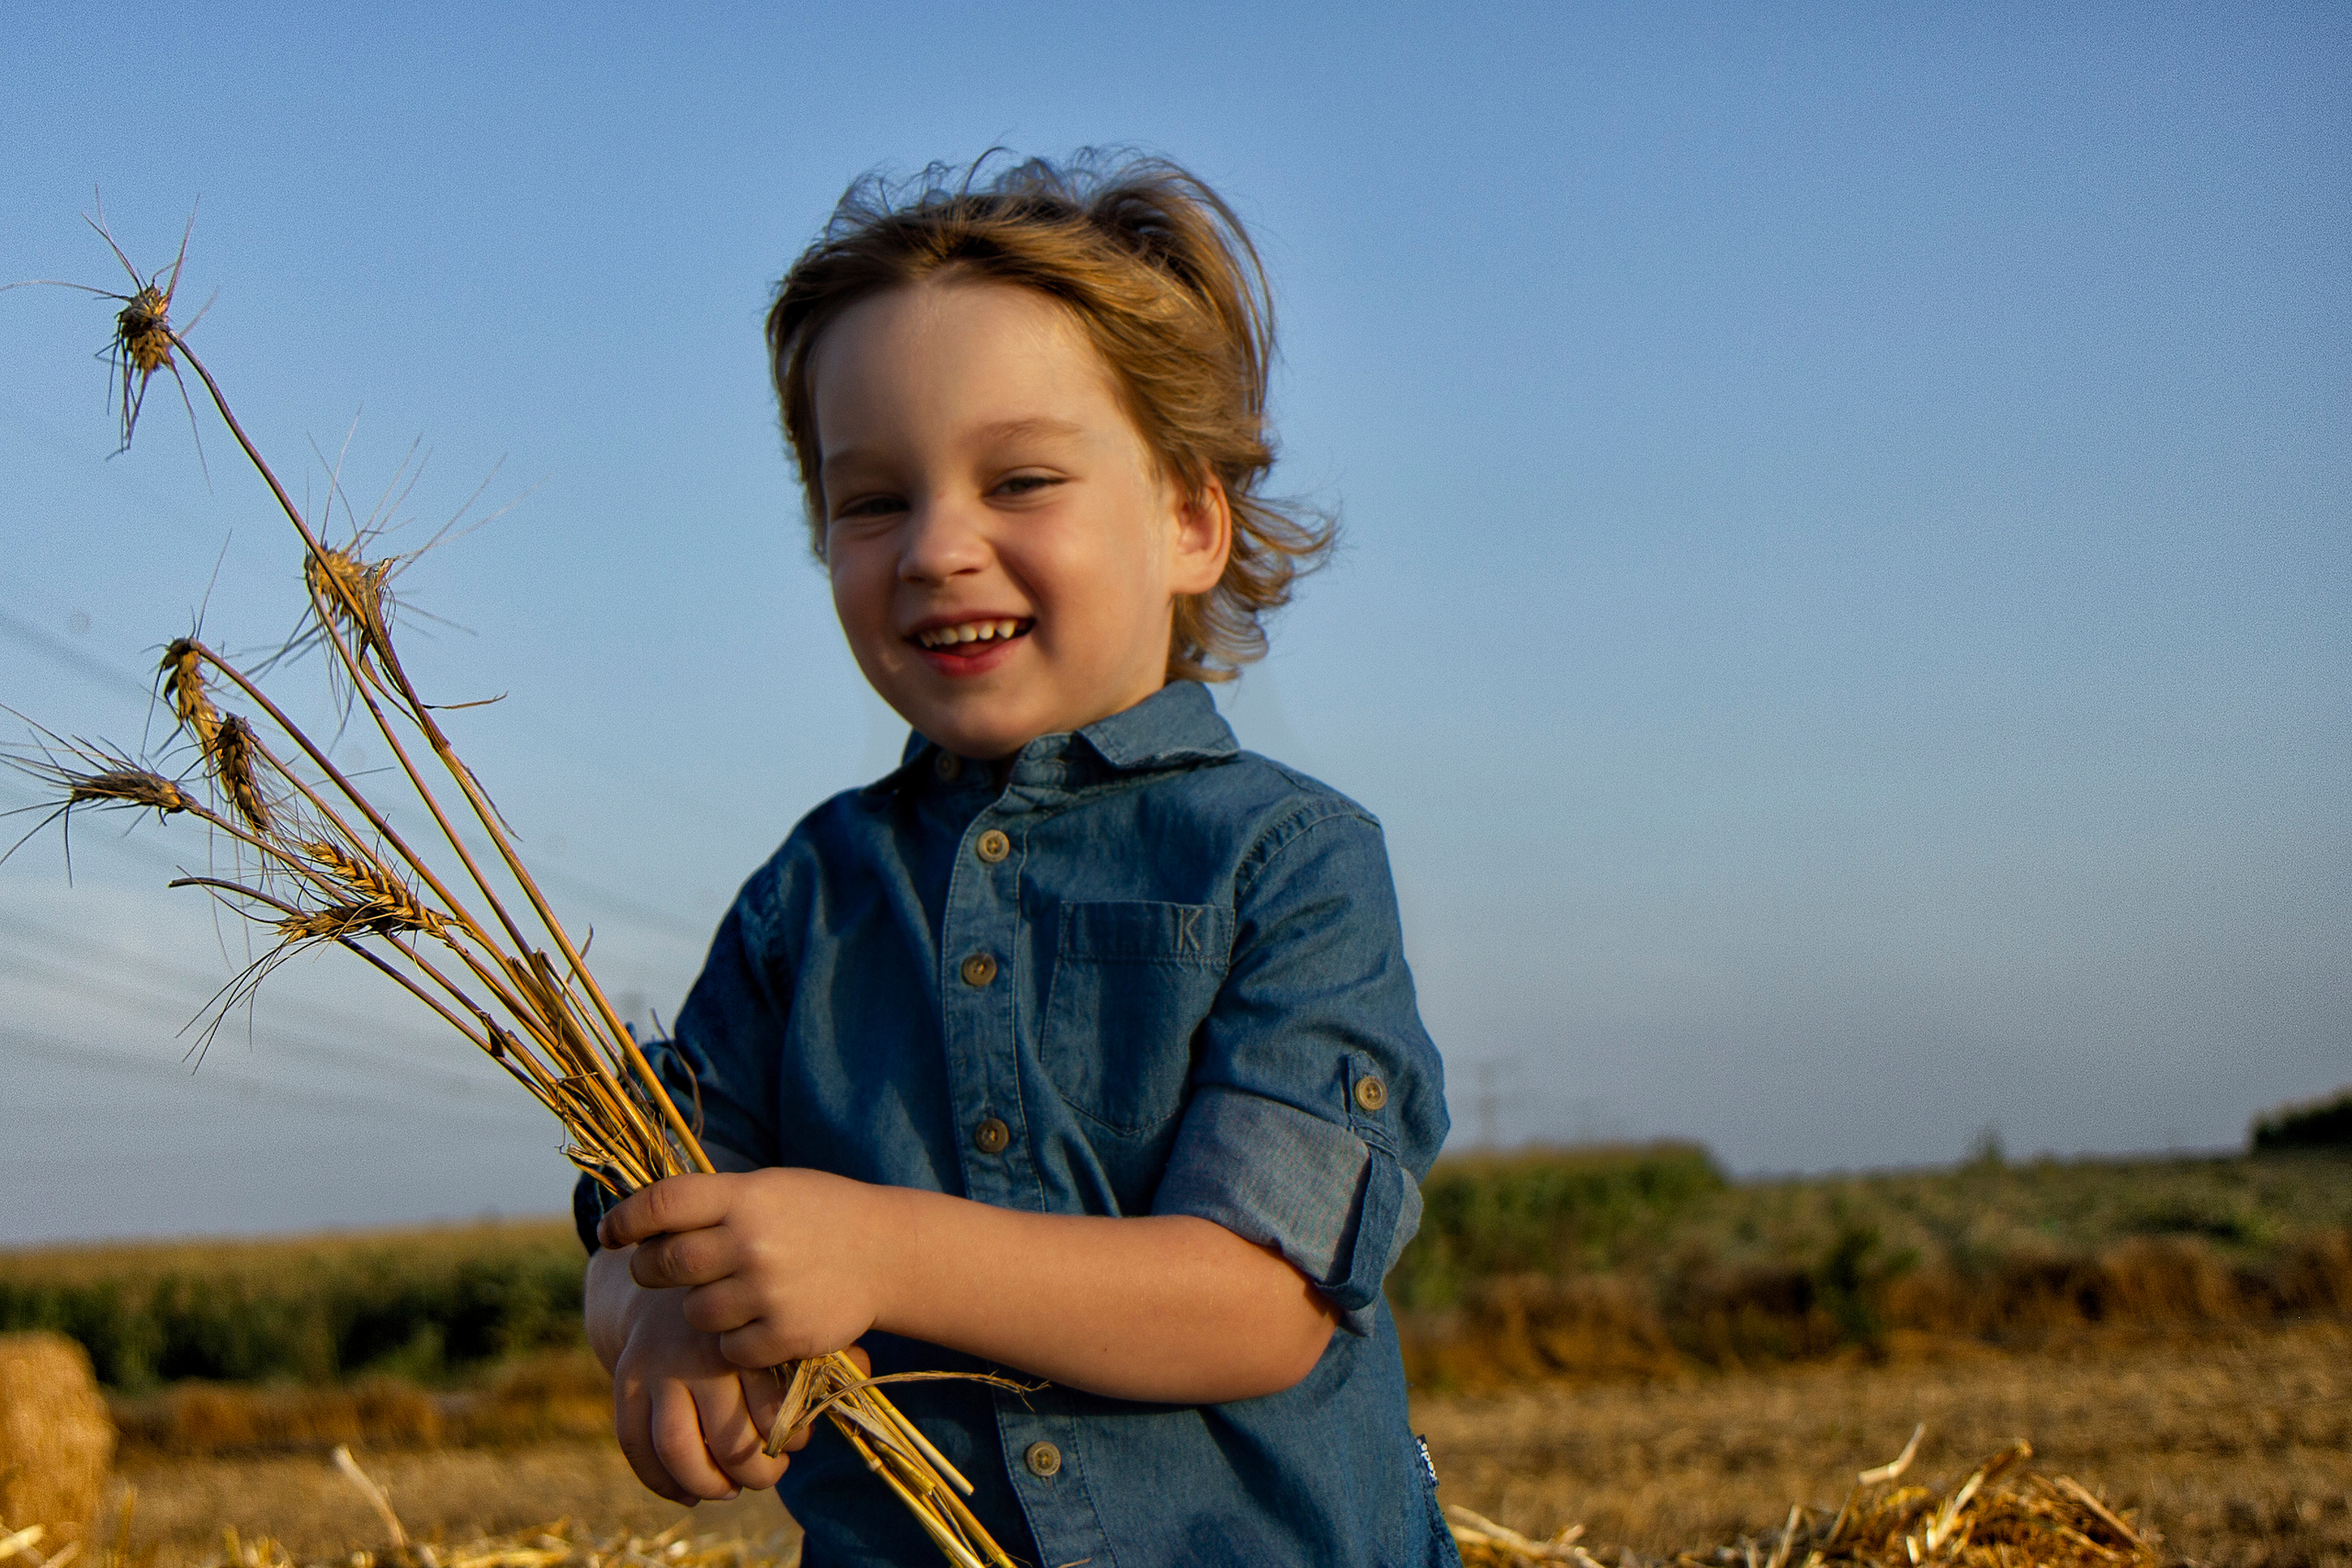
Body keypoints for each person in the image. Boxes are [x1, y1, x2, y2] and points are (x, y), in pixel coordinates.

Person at [578, 152, 1456, 1568]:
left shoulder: (1289, 866)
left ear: (1188, 518)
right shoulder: (807, 901)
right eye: (870, 502)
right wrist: (664, 1315)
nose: (936, 548)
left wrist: (869, 1251)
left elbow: (1258, 1301)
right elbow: (643, 1210)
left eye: (1021, 478)